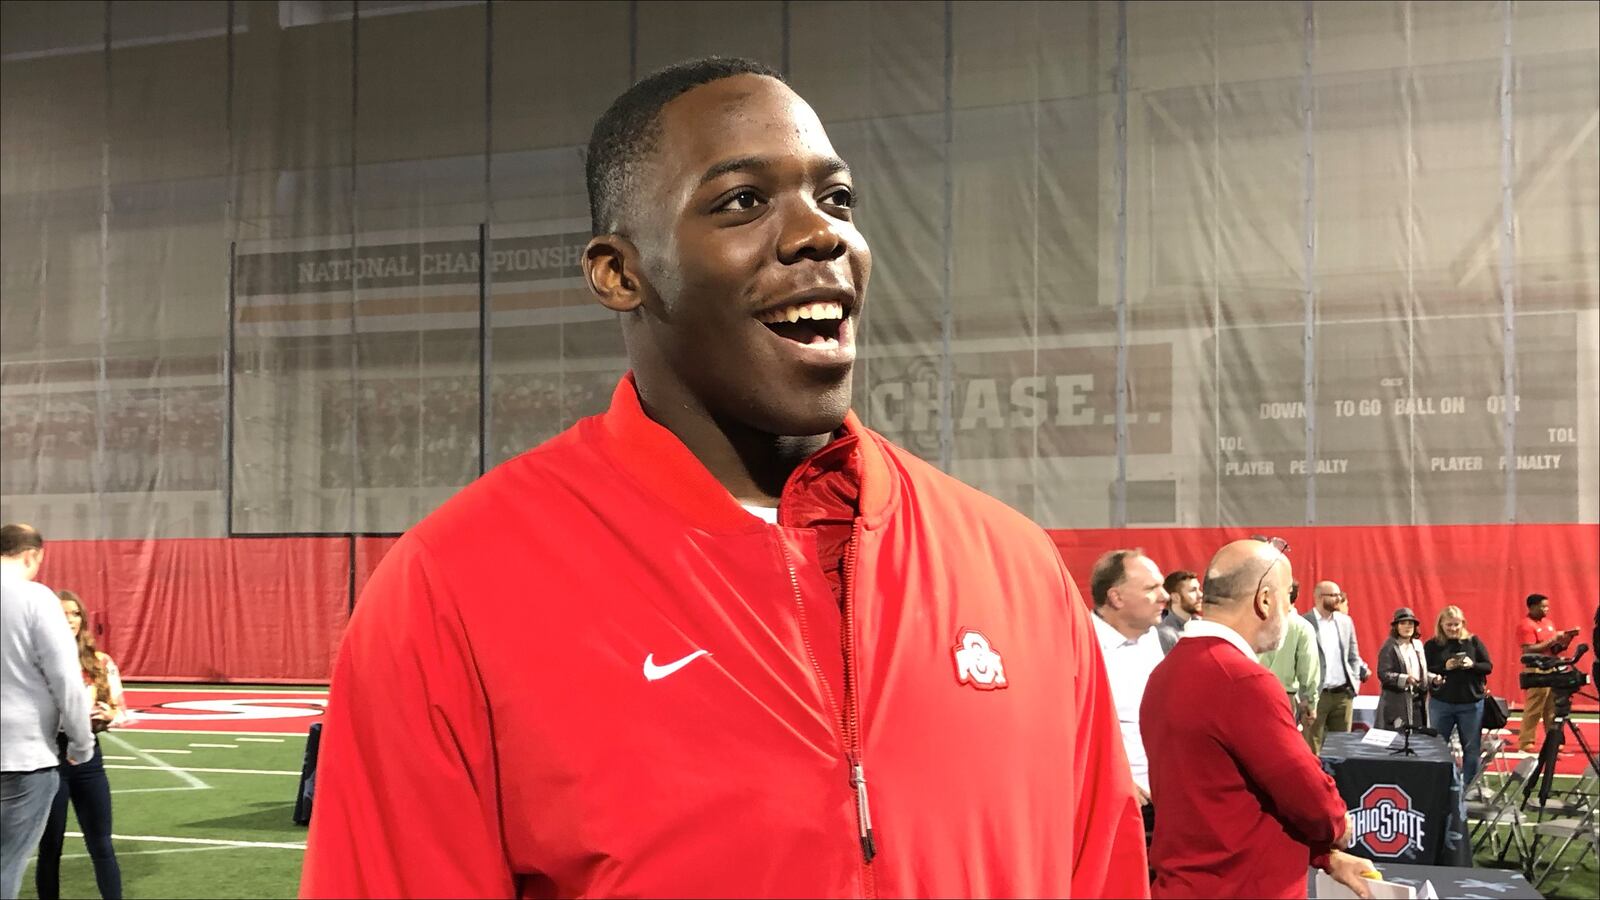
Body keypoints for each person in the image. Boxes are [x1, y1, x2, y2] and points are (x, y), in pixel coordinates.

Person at [301, 57, 1147, 899]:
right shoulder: (456, 588)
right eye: (743, 200)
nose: (822, 234)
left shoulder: (1014, 566)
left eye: (838, 198)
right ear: (620, 273)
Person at [1142, 539, 1373, 899]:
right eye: (1287, 597)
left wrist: (1323, 856)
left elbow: (1224, 801)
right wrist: (1338, 827)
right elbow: (1310, 798)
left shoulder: (1165, 673)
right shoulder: (1241, 680)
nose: (1290, 609)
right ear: (1264, 600)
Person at [1, 525, 93, 900]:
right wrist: (81, 741)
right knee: (6, 864)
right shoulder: (35, 598)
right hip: (23, 755)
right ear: (32, 555)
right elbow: (65, 678)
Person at [35, 590, 125, 900]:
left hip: (89, 757)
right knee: (50, 846)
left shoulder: (100, 661)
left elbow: (118, 708)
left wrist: (107, 714)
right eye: (63, 614)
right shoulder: (37, 661)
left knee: (101, 844)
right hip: (50, 756)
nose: (70, 620)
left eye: (75, 614)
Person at [1089, 549, 1169, 809]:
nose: (1164, 596)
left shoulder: (1160, 641)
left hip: (1168, 802)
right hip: (1113, 805)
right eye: (1151, 588)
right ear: (1116, 597)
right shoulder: (1080, 648)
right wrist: (1111, 782)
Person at [1424, 605, 1493, 785]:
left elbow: (1488, 666)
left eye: (1456, 625)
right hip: (1441, 703)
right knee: (1437, 747)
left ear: (1463, 623)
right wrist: (1444, 668)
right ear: (1441, 625)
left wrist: (1472, 665)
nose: (1453, 629)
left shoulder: (1473, 642)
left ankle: (1469, 787)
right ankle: (1436, 784)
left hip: (1470, 704)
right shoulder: (1432, 645)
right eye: (1449, 626)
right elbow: (1424, 670)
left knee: (1471, 749)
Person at [1304, 580, 1371, 753]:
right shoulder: (1304, 623)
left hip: (1343, 695)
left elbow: (1353, 656)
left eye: (1339, 595)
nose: (1338, 599)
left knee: (1342, 748)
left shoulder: (1345, 622)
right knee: (1312, 746)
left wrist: (1354, 682)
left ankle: (1339, 780)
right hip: (1317, 695)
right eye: (1333, 595)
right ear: (1319, 597)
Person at [1515, 593, 1577, 754]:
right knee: (1535, 706)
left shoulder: (1548, 623)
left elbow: (1553, 649)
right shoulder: (1526, 625)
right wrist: (1553, 638)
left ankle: (1553, 739)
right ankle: (1526, 741)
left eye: (1547, 606)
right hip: (1536, 668)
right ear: (1532, 607)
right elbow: (1528, 649)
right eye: (1543, 606)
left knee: (1552, 707)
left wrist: (1566, 639)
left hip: (1552, 665)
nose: (1546, 609)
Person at [1258, 580, 1320, 729]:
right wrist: (1311, 702)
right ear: (1296, 596)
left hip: (1253, 692)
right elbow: (1308, 669)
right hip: (1283, 697)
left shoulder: (1256, 622)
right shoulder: (1302, 627)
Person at [1375, 607, 1434, 732]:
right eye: (1403, 623)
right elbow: (1383, 674)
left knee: (1418, 737)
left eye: (1410, 623)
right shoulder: (1390, 646)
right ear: (1396, 626)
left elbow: (1420, 673)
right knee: (1399, 739)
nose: (1407, 627)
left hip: (1418, 701)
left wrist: (1433, 679)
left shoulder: (1417, 645)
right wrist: (1404, 679)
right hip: (1397, 702)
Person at [1154, 569, 1200, 654]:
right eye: (1193, 590)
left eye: (1199, 589)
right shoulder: (1165, 633)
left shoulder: (1201, 623)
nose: (1200, 595)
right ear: (1175, 597)